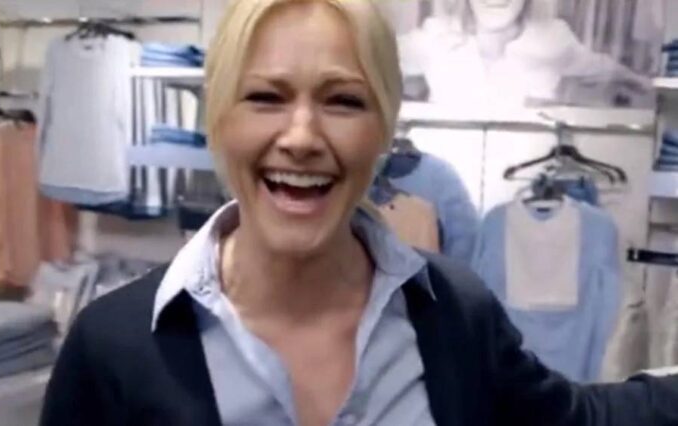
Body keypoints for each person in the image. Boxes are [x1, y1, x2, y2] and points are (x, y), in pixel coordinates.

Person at [40, 0, 678, 425]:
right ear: (220, 121)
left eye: (343, 101)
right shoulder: (110, 347)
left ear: (384, 130)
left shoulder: (453, 311)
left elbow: (577, 418)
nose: (301, 136)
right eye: (265, 97)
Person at [399, 0, 652, 106]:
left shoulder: (554, 39)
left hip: (523, 183)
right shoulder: (433, 35)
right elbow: (378, 62)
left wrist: (646, 85)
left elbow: (615, 74)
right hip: (448, 183)